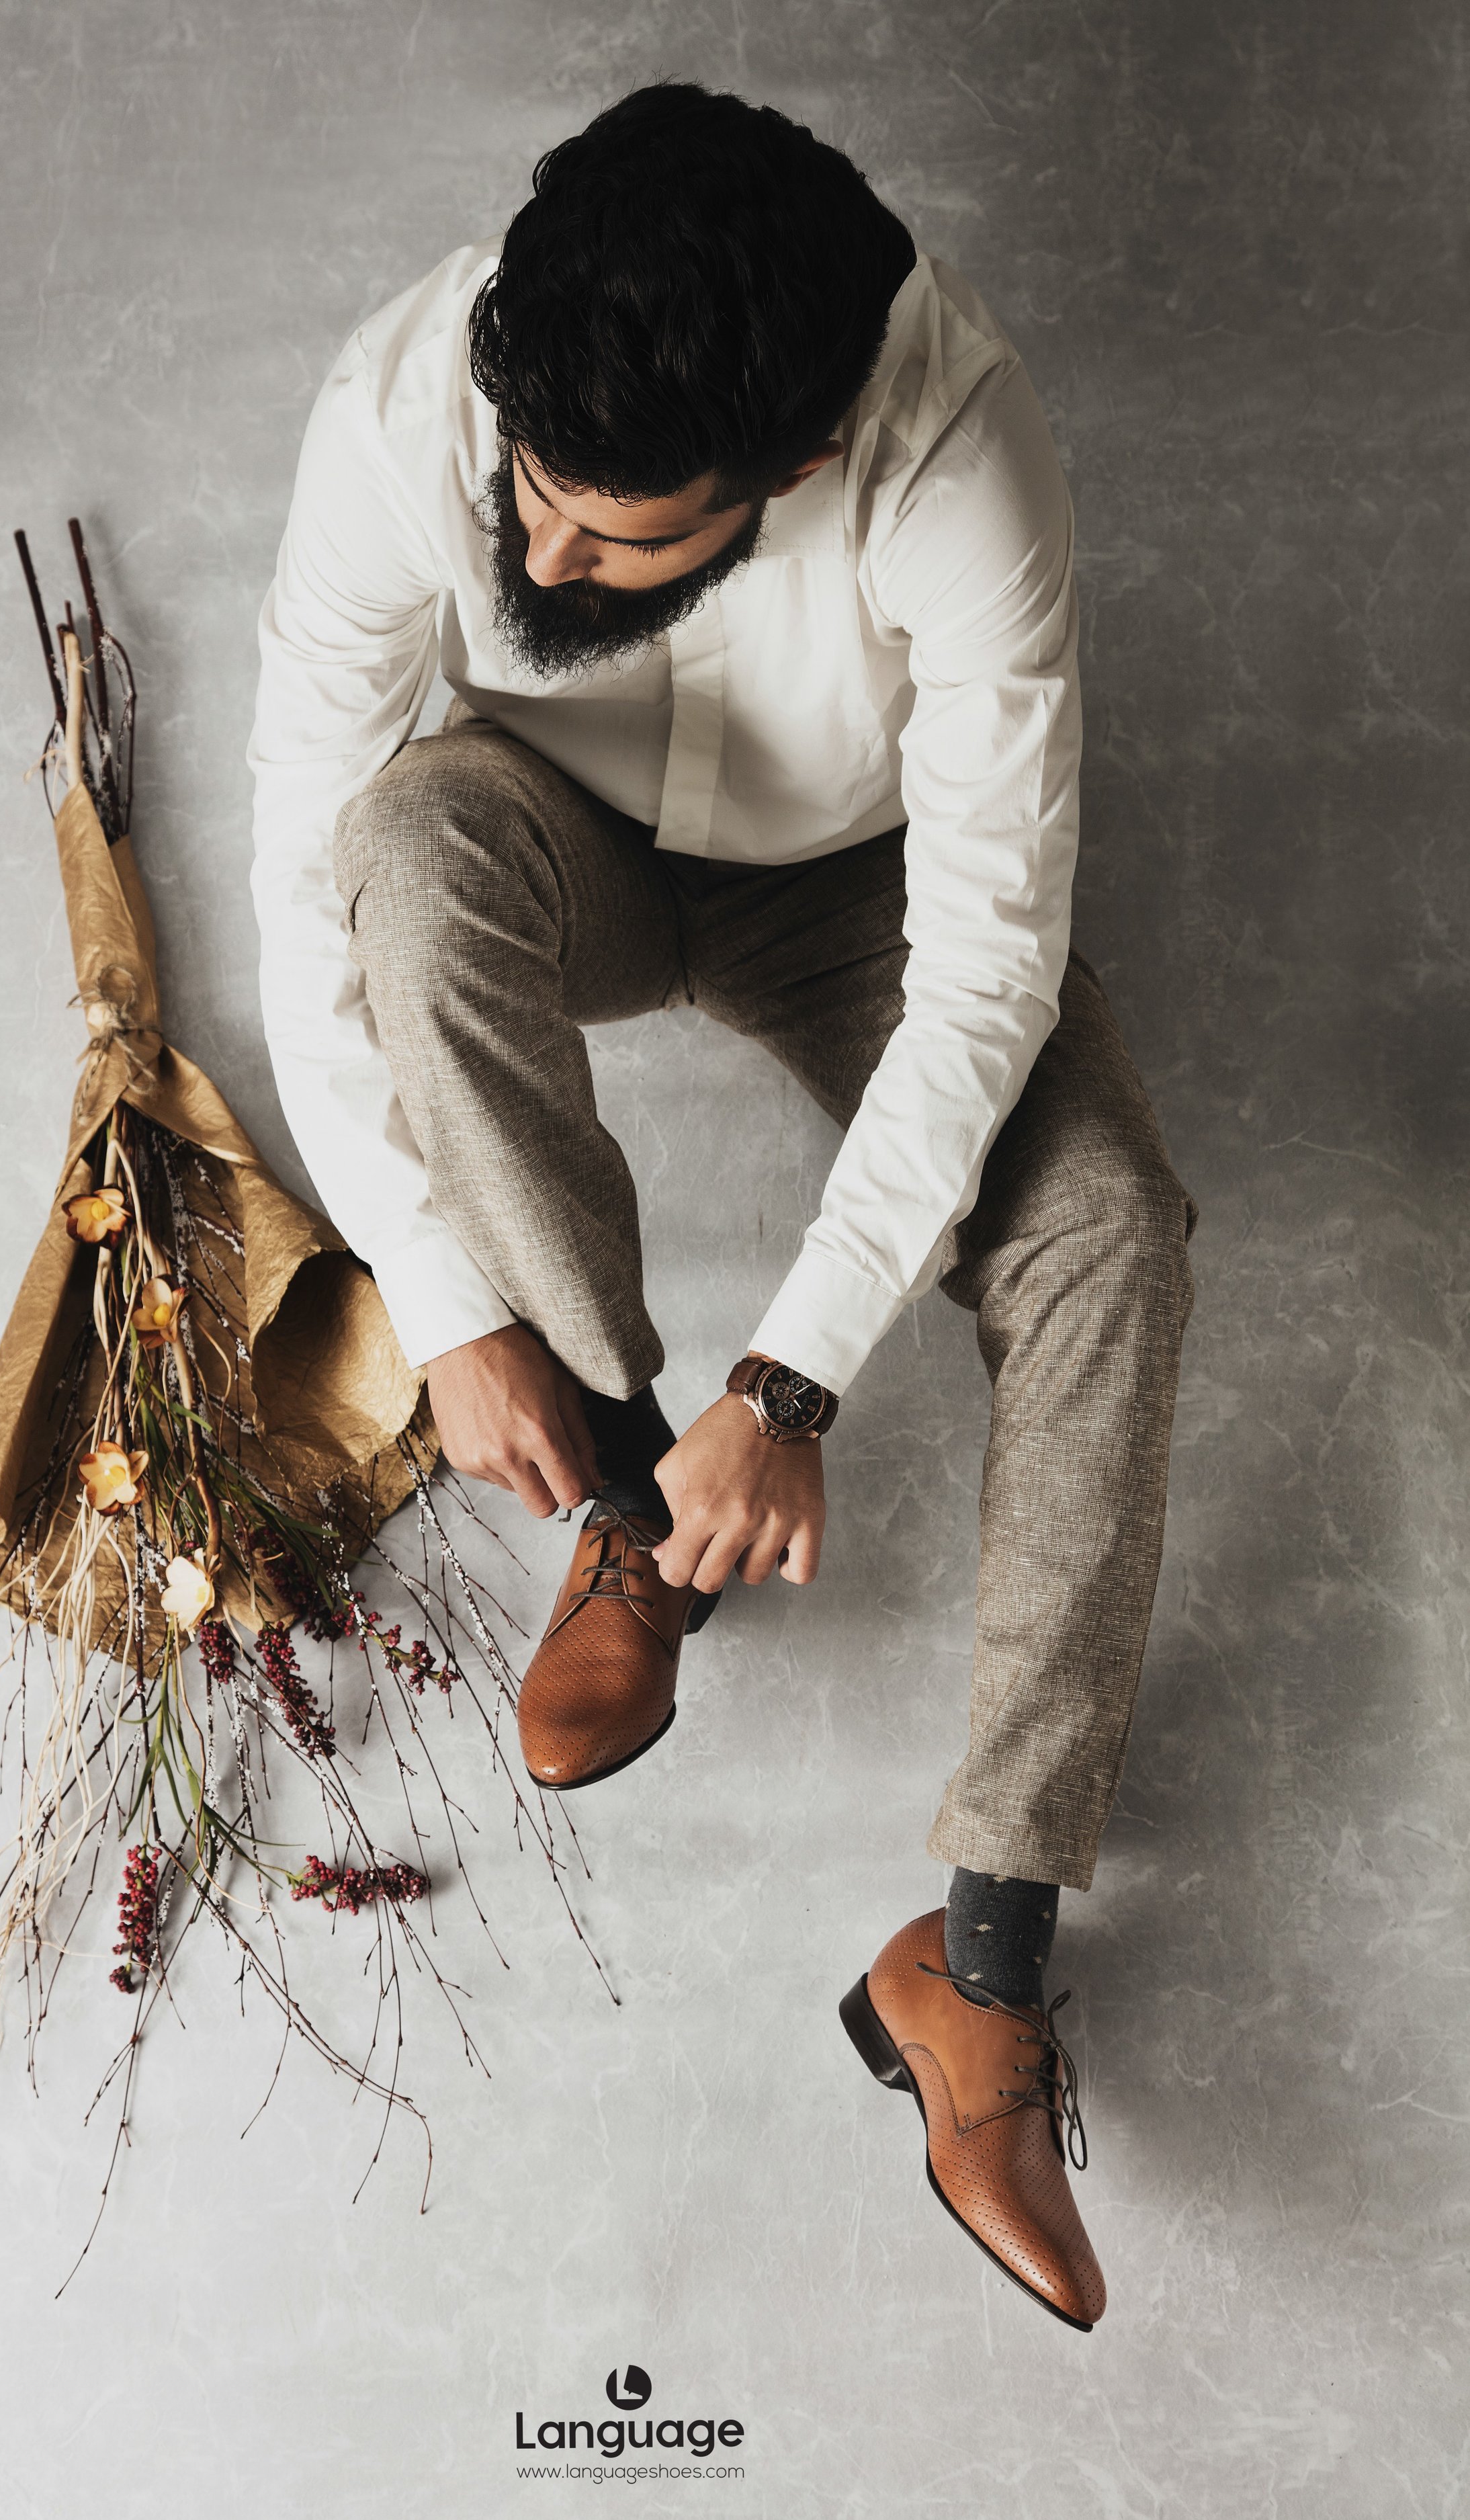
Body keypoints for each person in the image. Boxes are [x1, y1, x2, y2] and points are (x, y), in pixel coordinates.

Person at [249, 81, 1195, 2330]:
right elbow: (307, 874)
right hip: (546, 840)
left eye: (612, 537)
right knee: (402, 856)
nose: (539, 557)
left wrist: (794, 1380)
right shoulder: (411, 403)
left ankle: (977, 1968)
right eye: (526, 496)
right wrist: (444, 1297)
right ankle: (621, 1507)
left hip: (855, 887)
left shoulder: (961, 463)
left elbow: (986, 969)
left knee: (1113, 1228)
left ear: (795, 466)